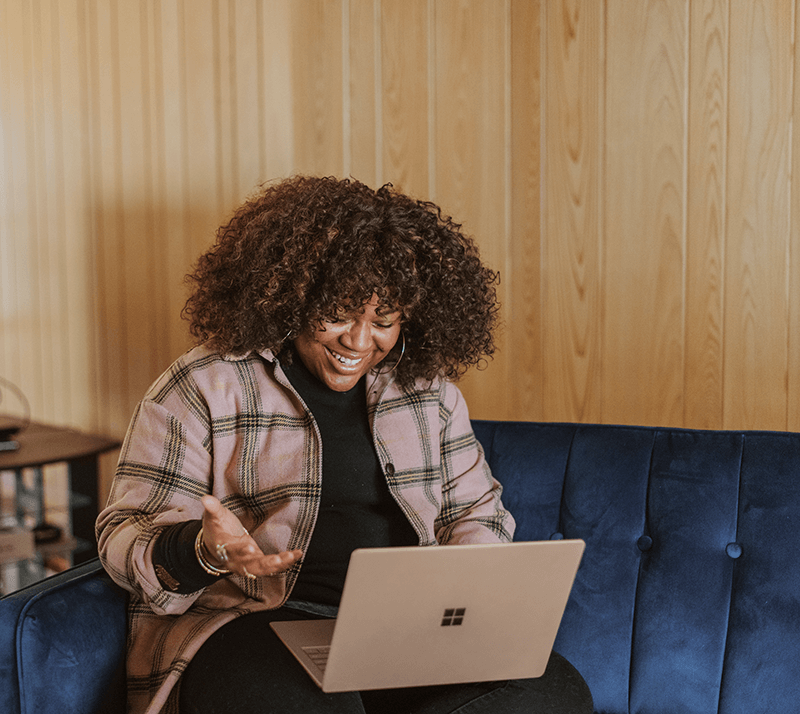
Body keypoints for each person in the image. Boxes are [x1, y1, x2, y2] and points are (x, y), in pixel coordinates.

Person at [96, 176, 593, 714]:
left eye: (383, 321)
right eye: (337, 314)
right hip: (253, 624)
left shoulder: (432, 394)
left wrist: (461, 596)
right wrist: (202, 548)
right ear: (292, 296)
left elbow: (476, 513)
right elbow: (124, 534)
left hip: (403, 631)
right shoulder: (205, 385)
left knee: (553, 692)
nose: (358, 342)